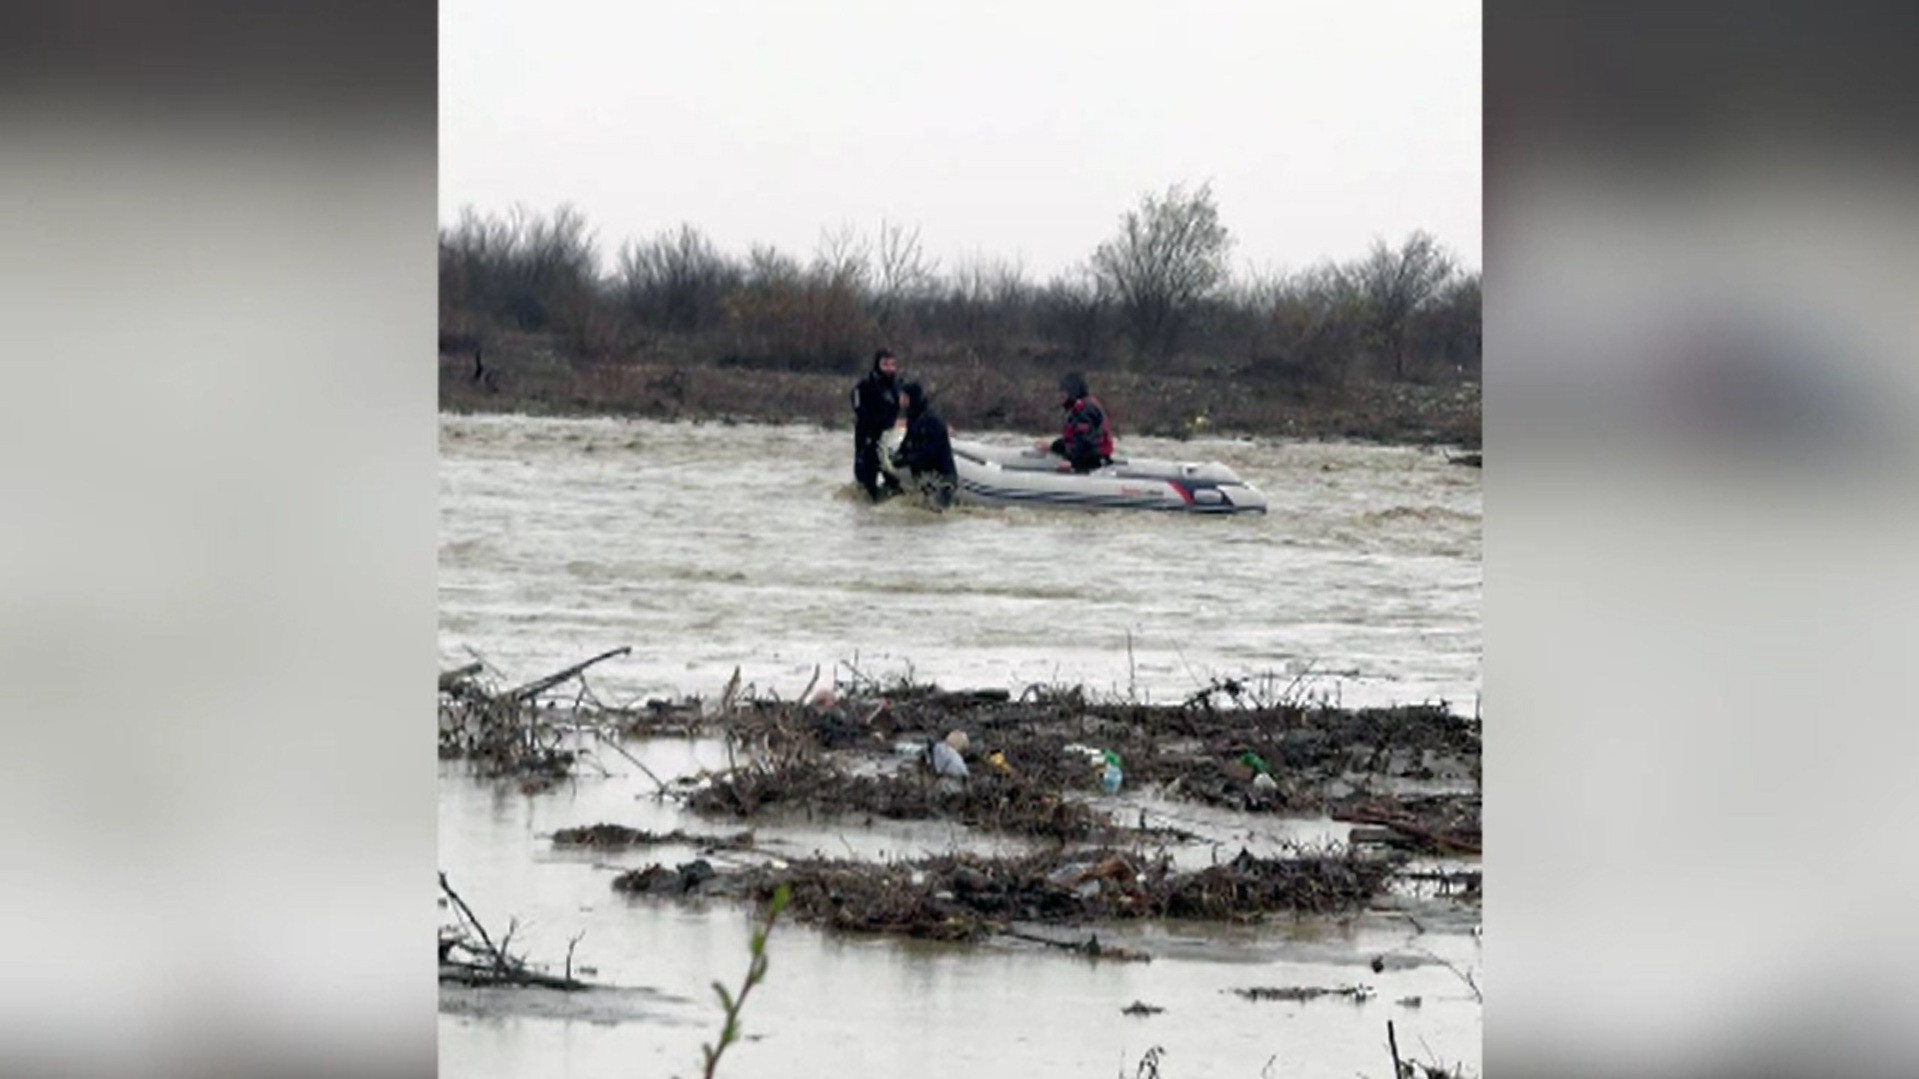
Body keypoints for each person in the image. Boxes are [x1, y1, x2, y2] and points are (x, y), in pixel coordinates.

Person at [889, 381, 958, 510]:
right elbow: (907, 443)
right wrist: (896, 458)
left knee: (936, 509)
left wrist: (907, 460)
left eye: (903, 397)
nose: (900, 400)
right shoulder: (913, 418)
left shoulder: (931, 421)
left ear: (911, 398)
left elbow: (930, 454)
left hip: (942, 477)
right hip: (925, 478)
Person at [850, 348, 904, 500]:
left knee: (892, 477)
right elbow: (859, 410)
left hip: (889, 438)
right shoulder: (865, 385)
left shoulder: (897, 385)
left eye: (892, 364)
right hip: (868, 436)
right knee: (867, 478)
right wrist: (882, 422)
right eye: (885, 364)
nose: (889, 368)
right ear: (877, 365)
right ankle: (866, 500)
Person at [1045, 371, 1114, 472]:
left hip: (1094, 462)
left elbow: (1085, 442)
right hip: (1089, 458)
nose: (1059, 395)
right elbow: (1074, 440)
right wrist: (1053, 447)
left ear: (1072, 392)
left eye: (1063, 392)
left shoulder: (1085, 409)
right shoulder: (1080, 408)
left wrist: (1072, 462)